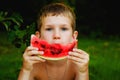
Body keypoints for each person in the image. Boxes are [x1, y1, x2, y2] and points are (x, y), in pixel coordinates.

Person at [18, 3, 89, 80]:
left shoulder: (77, 64)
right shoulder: (33, 64)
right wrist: (26, 70)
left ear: (74, 36)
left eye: (64, 29)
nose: (56, 35)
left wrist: (83, 72)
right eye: (49, 29)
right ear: (38, 37)